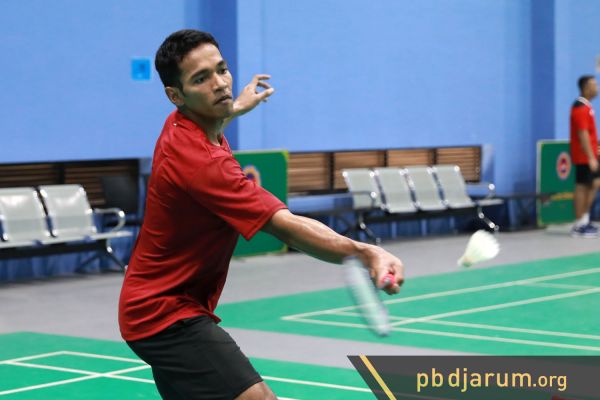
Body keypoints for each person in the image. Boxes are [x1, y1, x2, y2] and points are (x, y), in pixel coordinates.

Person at [118, 29, 404, 400]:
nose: (220, 84)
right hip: (163, 314)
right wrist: (366, 252)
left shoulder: (182, 125)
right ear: (176, 95)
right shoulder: (204, 165)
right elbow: (287, 227)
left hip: (162, 303)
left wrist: (237, 106)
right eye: (201, 79)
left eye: (222, 69)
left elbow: (215, 117)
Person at [570, 75, 600, 237]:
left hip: (590, 154)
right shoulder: (580, 107)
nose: (597, 88)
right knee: (582, 187)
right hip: (583, 156)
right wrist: (590, 157)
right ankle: (579, 225)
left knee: (594, 183)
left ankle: (585, 219)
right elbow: (583, 134)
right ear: (586, 88)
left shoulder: (587, 107)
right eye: (594, 85)